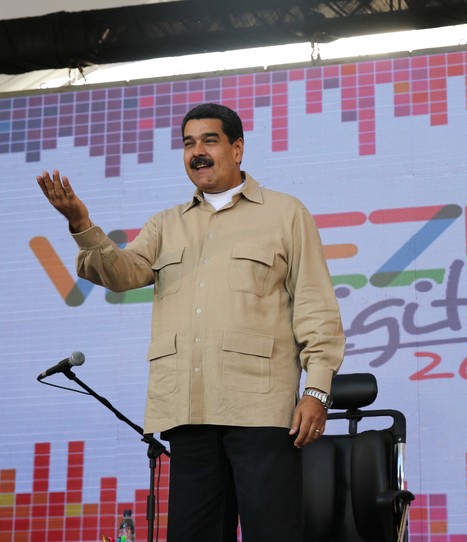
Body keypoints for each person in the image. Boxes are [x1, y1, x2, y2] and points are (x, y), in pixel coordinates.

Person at [36, 103, 345, 541]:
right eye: (188, 143)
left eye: (209, 141)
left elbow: (316, 307)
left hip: (260, 409)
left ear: (237, 149)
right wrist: (81, 224)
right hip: (187, 409)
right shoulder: (166, 225)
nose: (196, 152)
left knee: (273, 531)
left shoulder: (285, 214)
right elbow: (121, 274)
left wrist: (316, 390)